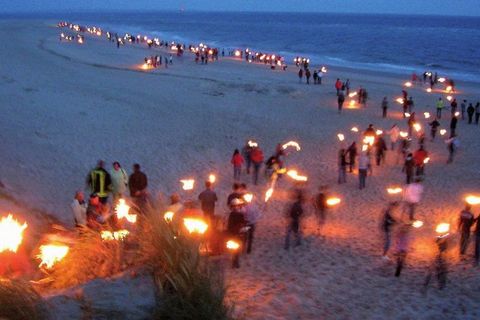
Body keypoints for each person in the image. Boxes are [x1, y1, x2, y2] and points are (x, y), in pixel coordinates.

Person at [227, 198, 247, 268]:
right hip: (237, 234)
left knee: (235, 249)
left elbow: (229, 225)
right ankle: (235, 262)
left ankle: (235, 262)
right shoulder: (239, 214)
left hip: (234, 234)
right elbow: (243, 224)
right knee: (236, 248)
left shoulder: (232, 214)